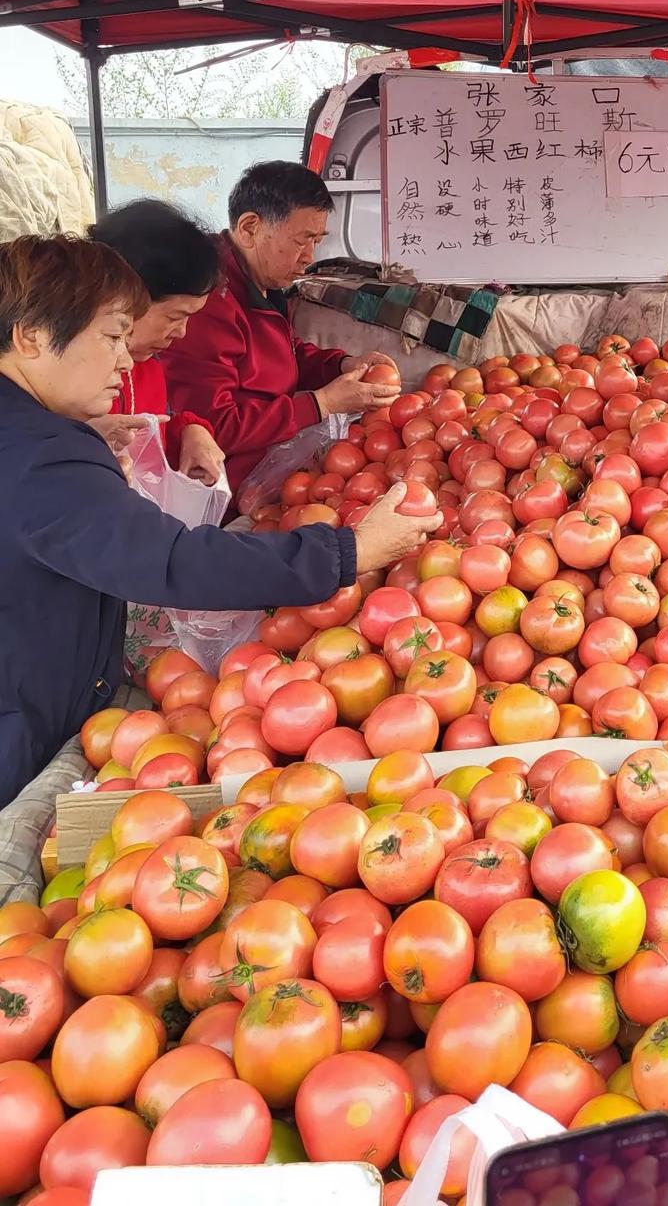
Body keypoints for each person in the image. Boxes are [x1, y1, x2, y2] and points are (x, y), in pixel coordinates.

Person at [0, 234, 438, 808]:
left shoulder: (31, 436)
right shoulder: (41, 457)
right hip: (20, 724)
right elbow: (174, 562)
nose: (126, 360)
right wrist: (349, 550)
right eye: (111, 337)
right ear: (29, 337)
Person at [163, 161, 400, 493]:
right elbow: (214, 424)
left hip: (274, 463)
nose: (309, 256)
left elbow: (287, 354)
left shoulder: (263, 282)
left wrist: (341, 365)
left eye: (318, 240)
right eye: (303, 240)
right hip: (230, 486)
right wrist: (321, 404)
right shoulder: (207, 302)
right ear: (249, 228)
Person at [87, 198, 225, 484]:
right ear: (124, 297)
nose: (181, 332)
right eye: (174, 316)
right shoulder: (72, 382)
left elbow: (151, 434)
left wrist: (190, 431)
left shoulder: (148, 368)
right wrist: (84, 442)